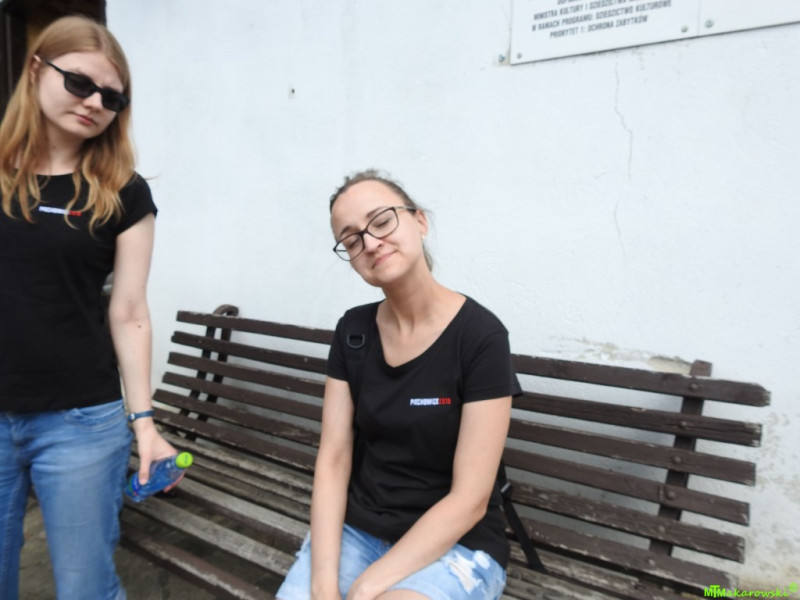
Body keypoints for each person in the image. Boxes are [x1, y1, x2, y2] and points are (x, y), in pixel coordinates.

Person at [277, 170, 519, 600]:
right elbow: (333, 459)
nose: (370, 242)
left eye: (382, 221)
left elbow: (470, 499)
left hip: (457, 543)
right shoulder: (353, 332)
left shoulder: (480, 337)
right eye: (352, 239)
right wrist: (323, 584)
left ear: (419, 221)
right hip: (359, 530)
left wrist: (366, 586)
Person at [0, 16, 177, 600]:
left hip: (80, 422)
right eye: (79, 83)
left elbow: (129, 311)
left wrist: (144, 422)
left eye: (112, 97)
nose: (95, 102)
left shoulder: (124, 191)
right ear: (36, 70)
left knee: (86, 589)